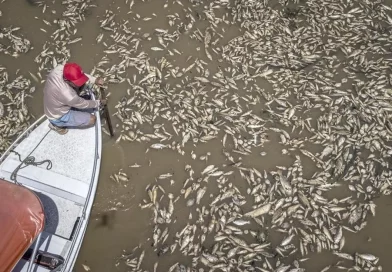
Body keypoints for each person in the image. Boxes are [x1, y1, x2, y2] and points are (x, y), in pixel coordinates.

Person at [43, 62, 106, 135]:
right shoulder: (68, 95)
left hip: (55, 102)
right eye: (77, 82)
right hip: (58, 116)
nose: (80, 82)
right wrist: (99, 103)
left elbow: (78, 75)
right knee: (92, 119)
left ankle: (70, 106)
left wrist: (94, 80)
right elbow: (84, 104)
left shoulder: (58, 69)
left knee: (83, 89)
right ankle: (56, 125)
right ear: (67, 80)